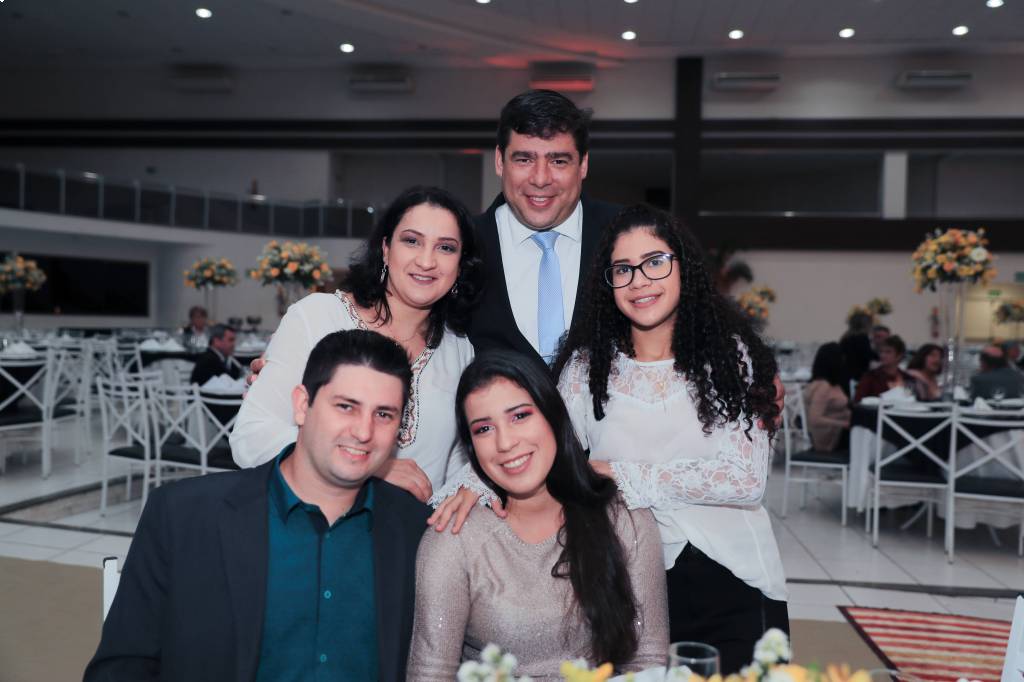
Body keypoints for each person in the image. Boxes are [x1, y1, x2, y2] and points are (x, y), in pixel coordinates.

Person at [432, 205, 788, 674]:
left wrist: (618, 473)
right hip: (625, 579)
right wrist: (475, 482)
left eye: (655, 262)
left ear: (684, 267)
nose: (640, 281)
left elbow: (745, 479)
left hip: (729, 577)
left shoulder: (731, 359)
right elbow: (544, 442)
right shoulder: (588, 367)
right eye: (623, 270)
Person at [85, 330, 432, 682]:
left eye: (384, 414)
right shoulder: (183, 516)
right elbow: (120, 669)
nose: (364, 431)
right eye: (346, 406)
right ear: (302, 405)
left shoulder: (418, 531)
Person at [406, 352, 668, 679]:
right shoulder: (455, 539)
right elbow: (430, 674)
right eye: (484, 428)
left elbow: (649, 663)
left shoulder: (624, 518)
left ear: (553, 415)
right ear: (472, 448)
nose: (505, 442)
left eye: (520, 416)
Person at [231, 186, 483, 501]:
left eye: (446, 247)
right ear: (386, 249)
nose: (426, 260)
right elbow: (251, 437)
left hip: (412, 527)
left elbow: (458, 462)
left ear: (460, 265)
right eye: (412, 241)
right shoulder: (317, 317)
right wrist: (373, 466)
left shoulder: (459, 349)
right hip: (314, 517)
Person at [468, 89, 621, 367]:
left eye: (558, 161)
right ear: (500, 161)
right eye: (524, 159)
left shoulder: (626, 235)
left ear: (583, 165)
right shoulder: (462, 244)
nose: (540, 179)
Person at [802, 342, 851, 452]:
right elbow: (815, 419)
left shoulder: (830, 384)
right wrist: (844, 424)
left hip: (834, 432)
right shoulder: (823, 387)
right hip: (828, 438)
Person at [853, 335, 920, 402]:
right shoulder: (871, 377)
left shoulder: (907, 378)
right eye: (881, 352)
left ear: (899, 355)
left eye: (888, 352)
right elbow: (857, 401)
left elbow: (912, 399)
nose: (883, 355)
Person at [839, 311, 873, 395]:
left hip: (845, 375)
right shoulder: (862, 338)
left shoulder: (845, 337)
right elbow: (867, 356)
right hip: (858, 377)